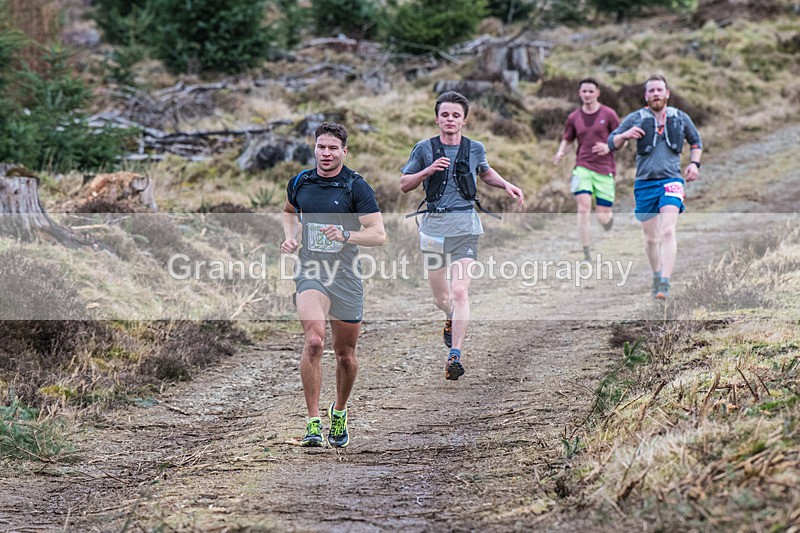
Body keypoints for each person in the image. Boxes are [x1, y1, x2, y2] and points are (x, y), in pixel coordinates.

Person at [400, 91, 525, 381]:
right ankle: (448, 317)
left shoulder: (475, 148)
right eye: (445, 114)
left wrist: (507, 185)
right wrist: (428, 170)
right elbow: (404, 184)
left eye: (456, 115)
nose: (450, 119)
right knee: (441, 298)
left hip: (466, 228)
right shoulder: (424, 148)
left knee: (459, 292)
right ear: (437, 119)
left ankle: (455, 354)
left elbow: (485, 173)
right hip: (432, 230)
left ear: (464, 120)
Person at [281, 122, 385, 448]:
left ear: (344, 151)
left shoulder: (356, 187)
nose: (326, 153)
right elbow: (288, 211)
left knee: (345, 356)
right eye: (321, 147)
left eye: (332, 148)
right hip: (311, 271)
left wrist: (346, 236)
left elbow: (378, 234)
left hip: (346, 276)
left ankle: (339, 411)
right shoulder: (300, 181)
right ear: (314, 148)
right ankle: (313, 422)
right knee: (314, 341)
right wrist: (290, 236)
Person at [607, 74, 703, 299]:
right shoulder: (636, 117)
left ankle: (665, 283)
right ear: (646, 95)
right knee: (651, 238)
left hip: (671, 181)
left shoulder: (680, 117)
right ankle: (656, 274)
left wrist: (694, 164)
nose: (656, 94)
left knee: (668, 230)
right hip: (644, 184)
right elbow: (612, 142)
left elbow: (696, 142)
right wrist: (626, 134)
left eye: (659, 90)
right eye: (651, 91)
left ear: (667, 93)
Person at [553, 77, 620, 261]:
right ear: (579, 93)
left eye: (591, 91)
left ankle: (608, 222)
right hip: (582, 167)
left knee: (602, 216)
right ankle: (586, 253)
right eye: (584, 91)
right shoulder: (574, 117)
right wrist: (560, 153)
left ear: (598, 93)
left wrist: (609, 146)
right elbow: (568, 139)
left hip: (605, 168)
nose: (587, 95)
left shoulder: (609, 114)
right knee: (583, 209)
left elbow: (621, 138)